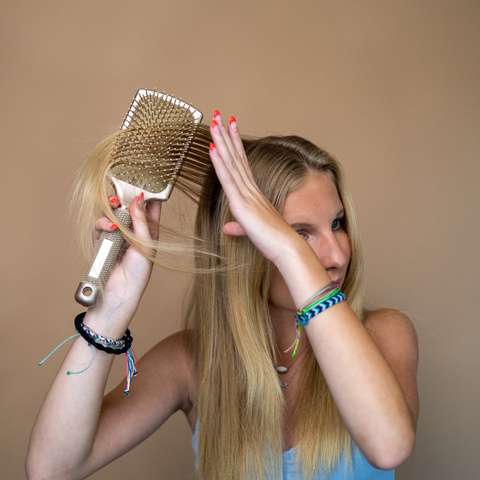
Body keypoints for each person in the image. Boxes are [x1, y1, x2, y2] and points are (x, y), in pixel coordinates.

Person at [26, 111, 419, 480]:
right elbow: (51, 468)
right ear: (241, 243)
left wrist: (290, 251)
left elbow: (388, 447)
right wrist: (109, 311)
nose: (336, 256)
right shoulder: (190, 361)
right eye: (300, 233)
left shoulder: (384, 335)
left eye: (337, 224)